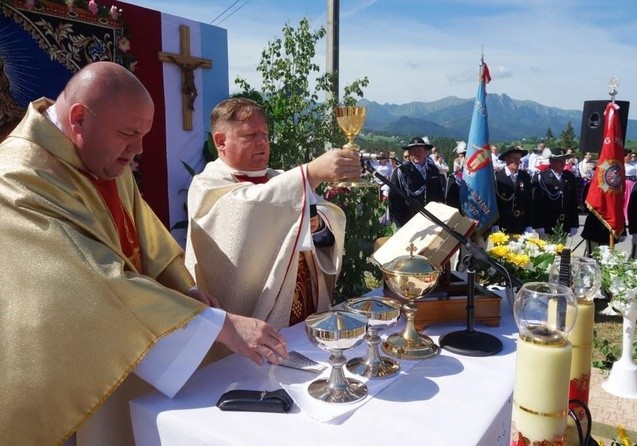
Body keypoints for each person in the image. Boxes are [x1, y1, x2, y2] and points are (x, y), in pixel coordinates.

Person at [0, 62, 289, 446]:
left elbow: (146, 237)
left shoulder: (101, 156)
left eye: (143, 134)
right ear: (79, 118)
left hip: (124, 338)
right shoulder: (18, 177)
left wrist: (185, 292)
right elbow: (92, 282)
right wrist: (219, 324)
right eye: (128, 134)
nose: (137, 150)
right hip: (64, 363)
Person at [185, 98, 360, 329]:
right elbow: (247, 209)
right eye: (250, 135)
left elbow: (325, 217)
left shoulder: (279, 179)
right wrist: (310, 173)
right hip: (248, 320)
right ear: (221, 141)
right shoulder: (207, 185)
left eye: (265, 135)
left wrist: (318, 226)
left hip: (305, 306)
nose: (262, 143)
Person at [388, 137, 446, 227]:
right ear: (410, 153)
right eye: (413, 151)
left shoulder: (433, 170)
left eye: (419, 150)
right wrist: (400, 223)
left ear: (425, 152)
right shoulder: (401, 171)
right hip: (410, 221)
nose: (416, 153)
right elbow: (394, 199)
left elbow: (439, 194)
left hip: (431, 220)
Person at [531, 148, 580, 239]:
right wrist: (539, 225)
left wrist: (574, 224)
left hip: (564, 223)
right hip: (548, 224)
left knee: (562, 251)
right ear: (551, 161)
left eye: (563, 160)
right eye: (559, 160)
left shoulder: (569, 177)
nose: (562, 163)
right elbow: (537, 204)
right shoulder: (542, 177)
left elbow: (573, 202)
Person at [492, 146, 533, 234]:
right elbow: (494, 202)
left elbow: (529, 202)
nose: (517, 161)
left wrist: (529, 224)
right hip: (503, 224)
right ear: (506, 159)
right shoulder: (497, 177)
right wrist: (495, 224)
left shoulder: (525, 176)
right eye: (515, 158)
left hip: (520, 223)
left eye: (519, 158)